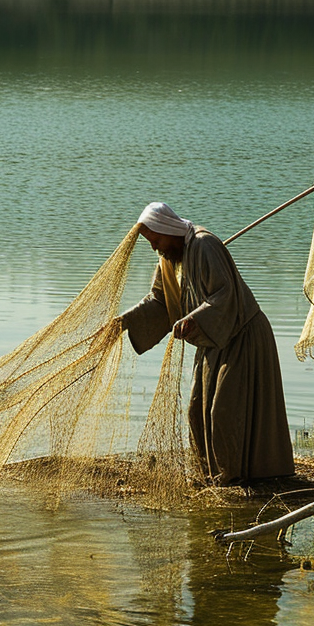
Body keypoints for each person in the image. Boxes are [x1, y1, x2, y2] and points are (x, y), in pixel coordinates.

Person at [119, 202, 295, 485]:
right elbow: (160, 302)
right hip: (213, 340)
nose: (155, 248)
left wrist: (195, 319)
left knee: (224, 411)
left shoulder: (204, 245)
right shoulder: (169, 259)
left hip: (241, 335)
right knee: (196, 410)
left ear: (167, 230)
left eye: (156, 240)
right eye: (151, 243)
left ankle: (235, 477)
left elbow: (225, 296)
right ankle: (211, 473)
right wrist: (123, 322)